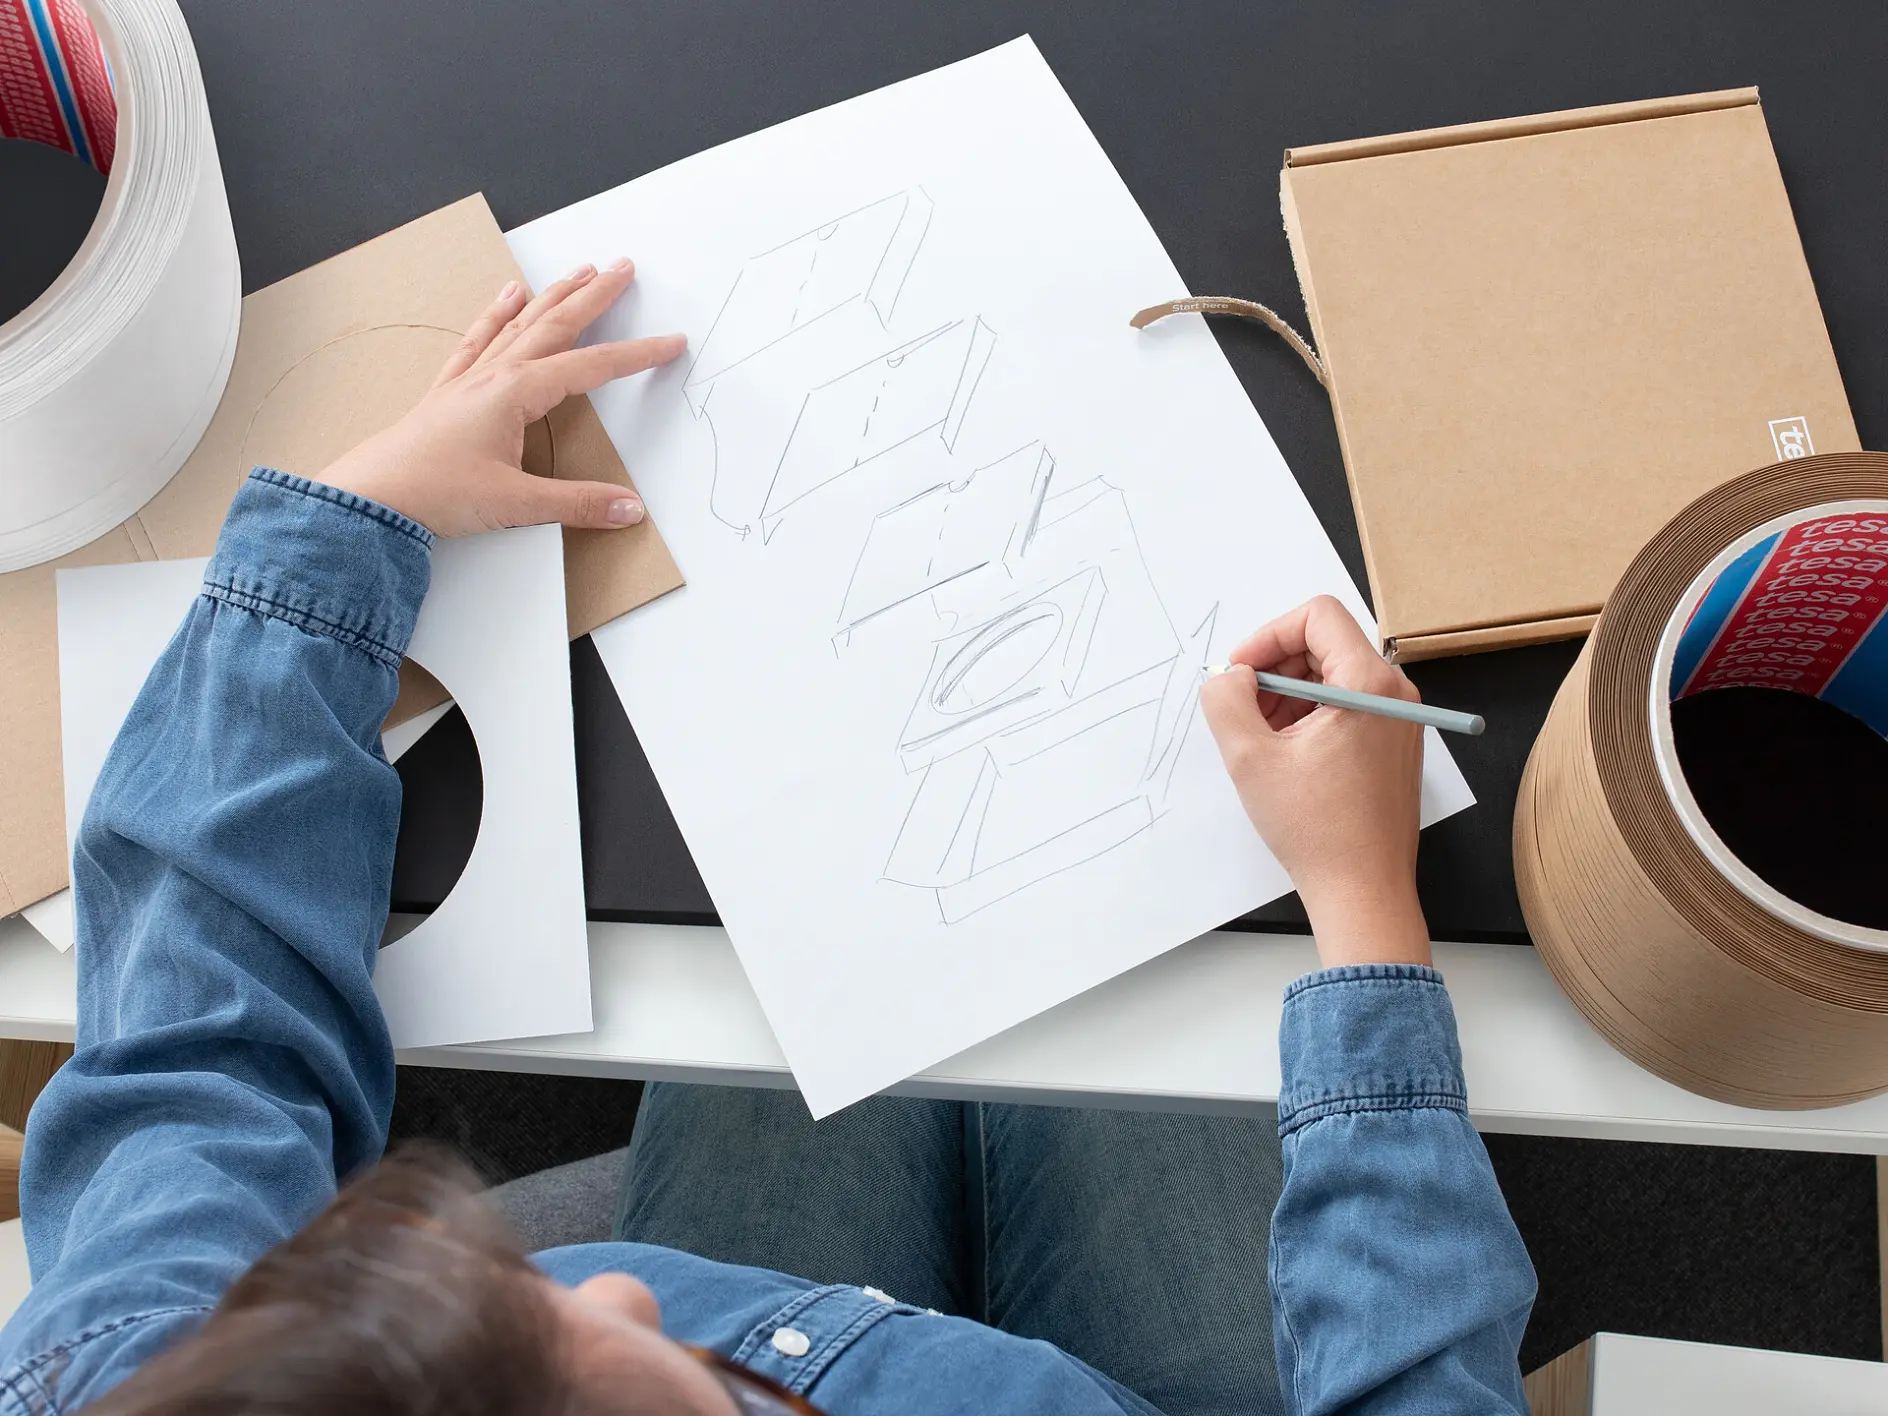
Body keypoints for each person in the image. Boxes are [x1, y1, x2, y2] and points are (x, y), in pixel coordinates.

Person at [0, 260, 1535, 1416]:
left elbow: (199, 1062)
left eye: (504, 1311)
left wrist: (337, 533)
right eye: (609, 1379)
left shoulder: (151, 1384)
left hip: (823, 1305)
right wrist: (1360, 907)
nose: (596, 1284)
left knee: (888, 977)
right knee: (1154, 1012)